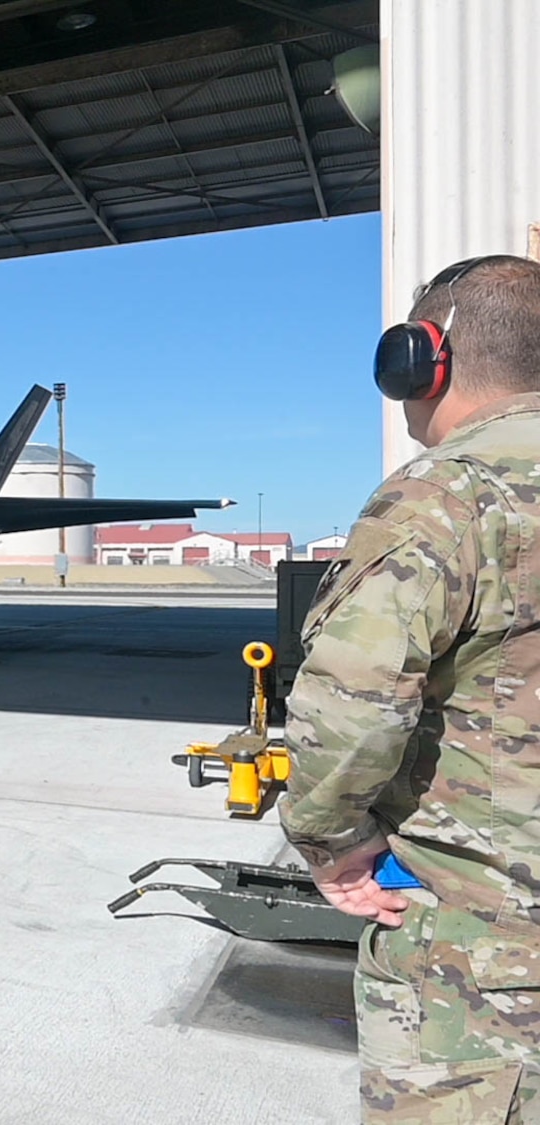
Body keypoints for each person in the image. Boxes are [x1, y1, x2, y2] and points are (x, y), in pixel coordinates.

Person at [280, 255, 540, 1120]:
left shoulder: (450, 497)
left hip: (491, 962)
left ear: (420, 358)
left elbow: (351, 702)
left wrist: (330, 842)